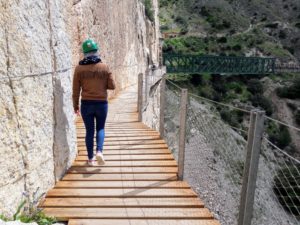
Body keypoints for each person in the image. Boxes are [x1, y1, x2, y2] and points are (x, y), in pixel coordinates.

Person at [72, 39, 116, 166]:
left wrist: (75, 105)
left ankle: (90, 159)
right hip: (101, 103)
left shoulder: (79, 69)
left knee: (89, 131)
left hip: (86, 104)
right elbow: (112, 86)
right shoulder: (104, 67)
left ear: (84, 53)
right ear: (96, 51)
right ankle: (99, 152)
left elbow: (76, 90)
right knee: (100, 128)